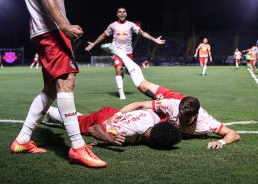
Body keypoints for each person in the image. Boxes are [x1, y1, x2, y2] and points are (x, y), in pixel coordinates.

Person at [12, 0, 106, 168]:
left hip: (46, 30)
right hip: (50, 30)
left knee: (52, 89)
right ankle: (77, 147)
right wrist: (63, 25)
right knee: (66, 81)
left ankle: (22, 140)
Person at [101, 43, 240, 149]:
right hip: (174, 98)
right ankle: (119, 52)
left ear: (195, 116)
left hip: (180, 104)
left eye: (186, 119)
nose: (182, 120)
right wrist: (118, 114)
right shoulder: (172, 106)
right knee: (141, 85)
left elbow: (233, 134)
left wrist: (220, 141)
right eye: (181, 116)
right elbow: (140, 104)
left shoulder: (207, 123)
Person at [85, 7, 165, 99]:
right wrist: (93, 44)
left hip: (128, 53)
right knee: (118, 68)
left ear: (126, 14)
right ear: (117, 14)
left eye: (123, 12)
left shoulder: (131, 25)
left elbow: (142, 33)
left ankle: (125, 70)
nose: (122, 13)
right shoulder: (112, 25)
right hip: (117, 51)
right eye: (120, 12)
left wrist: (154, 39)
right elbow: (103, 35)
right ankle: (121, 93)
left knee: (130, 72)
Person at [46, 106, 181, 149]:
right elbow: (94, 129)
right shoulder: (128, 134)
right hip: (102, 121)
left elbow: (143, 108)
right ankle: (48, 110)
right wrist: (109, 138)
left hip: (113, 112)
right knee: (72, 122)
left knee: (82, 117)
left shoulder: (154, 117)